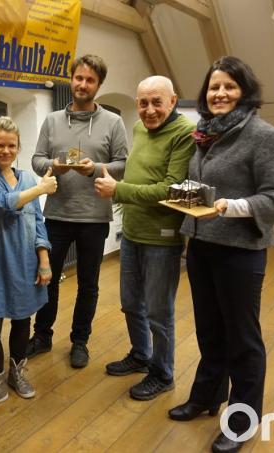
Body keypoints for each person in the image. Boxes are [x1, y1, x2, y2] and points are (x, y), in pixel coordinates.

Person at [169, 56, 274, 453]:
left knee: (242, 339)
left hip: (240, 252)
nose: (219, 93)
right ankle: (206, 396)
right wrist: (183, 196)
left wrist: (230, 206)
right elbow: (202, 185)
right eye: (214, 87)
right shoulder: (205, 133)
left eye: (229, 86)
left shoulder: (264, 136)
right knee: (209, 330)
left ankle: (242, 421)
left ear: (245, 92)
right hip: (201, 245)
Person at [94, 76, 195, 400]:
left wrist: (118, 190)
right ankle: (141, 355)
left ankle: (163, 373)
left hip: (162, 238)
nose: (149, 110)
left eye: (156, 102)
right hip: (133, 232)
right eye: (143, 103)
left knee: (158, 313)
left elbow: (171, 189)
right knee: (130, 303)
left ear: (173, 101)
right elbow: (140, 173)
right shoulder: (139, 128)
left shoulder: (184, 133)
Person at [28, 54, 129, 368]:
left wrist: (94, 169)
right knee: (47, 277)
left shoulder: (113, 122)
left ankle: (79, 341)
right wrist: (55, 165)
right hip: (56, 215)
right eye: (79, 78)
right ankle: (42, 335)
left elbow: (123, 165)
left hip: (94, 218)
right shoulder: (52, 120)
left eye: (90, 80)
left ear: (99, 85)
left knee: (88, 284)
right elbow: (37, 160)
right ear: (71, 79)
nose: (83, 84)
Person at [0, 117, 57, 415]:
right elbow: (0, 203)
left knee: (22, 321)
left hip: (25, 263)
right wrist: (41, 190)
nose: (5, 151)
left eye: (11, 146)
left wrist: (44, 260)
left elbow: (38, 222)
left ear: (18, 147)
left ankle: (16, 373)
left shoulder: (28, 179)